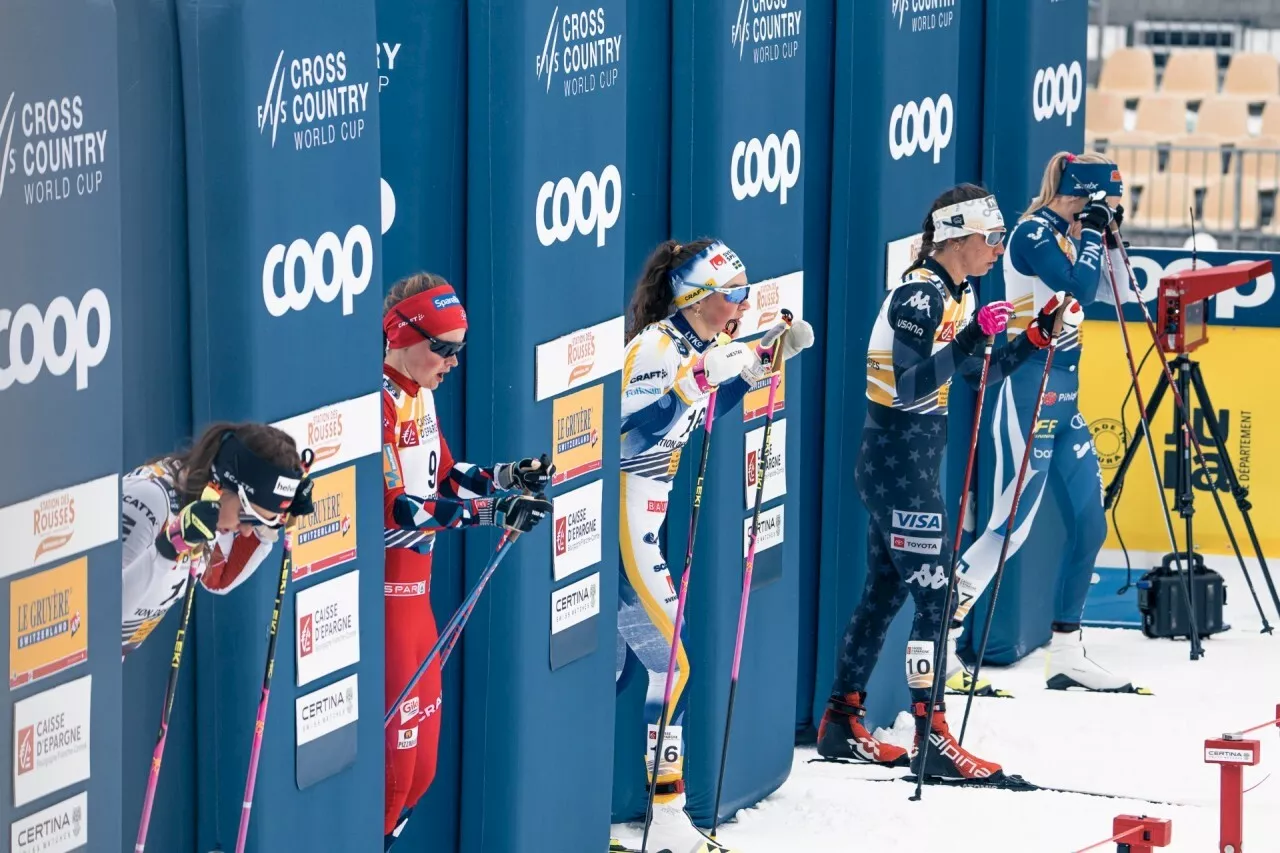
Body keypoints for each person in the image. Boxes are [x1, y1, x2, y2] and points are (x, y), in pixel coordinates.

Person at [816, 183, 1083, 782]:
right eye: (990, 240)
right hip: (895, 463)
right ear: (956, 237)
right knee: (938, 599)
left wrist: (1033, 338)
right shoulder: (919, 295)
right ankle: (930, 734)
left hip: (908, 461)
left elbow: (976, 377)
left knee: (885, 594)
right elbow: (910, 385)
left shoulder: (955, 293)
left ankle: (841, 719)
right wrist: (970, 336)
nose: (997, 251)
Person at [615, 238, 814, 853]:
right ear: (695, 298)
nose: (740, 306)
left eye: (744, 294)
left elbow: (696, 416)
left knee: (623, 672)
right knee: (671, 663)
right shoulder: (655, 345)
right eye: (732, 295)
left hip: (649, 508)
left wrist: (757, 369)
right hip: (625, 510)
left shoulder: (696, 343)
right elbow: (629, 428)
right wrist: (704, 376)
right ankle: (664, 812)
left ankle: (602, 804)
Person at [945, 153, 1145, 697]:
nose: (1114, 211)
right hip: (1028, 387)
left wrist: (1104, 236)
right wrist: (1089, 237)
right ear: (1087, 194)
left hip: (1066, 393)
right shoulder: (1034, 232)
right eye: (1110, 202)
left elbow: (1121, 292)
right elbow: (1075, 289)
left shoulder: (1075, 236)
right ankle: (941, 643)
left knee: (1091, 522)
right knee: (1011, 527)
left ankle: (1068, 653)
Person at [380, 272, 555, 851]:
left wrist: (509, 477)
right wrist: (491, 515)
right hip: (388, 605)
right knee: (394, 775)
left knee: (422, 773)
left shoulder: (421, 395)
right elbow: (399, 510)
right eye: (444, 348)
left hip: (418, 602)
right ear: (400, 334)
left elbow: (449, 473)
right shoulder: (377, 404)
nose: (453, 362)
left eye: (461, 349)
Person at [120, 422, 314, 659]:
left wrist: (274, 521)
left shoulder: (209, 510)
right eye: (247, 517)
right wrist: (168, 548)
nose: (244, 531)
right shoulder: (151, 501)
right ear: (221, 484)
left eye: (258, 522)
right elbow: (97, 618)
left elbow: (220, 580)